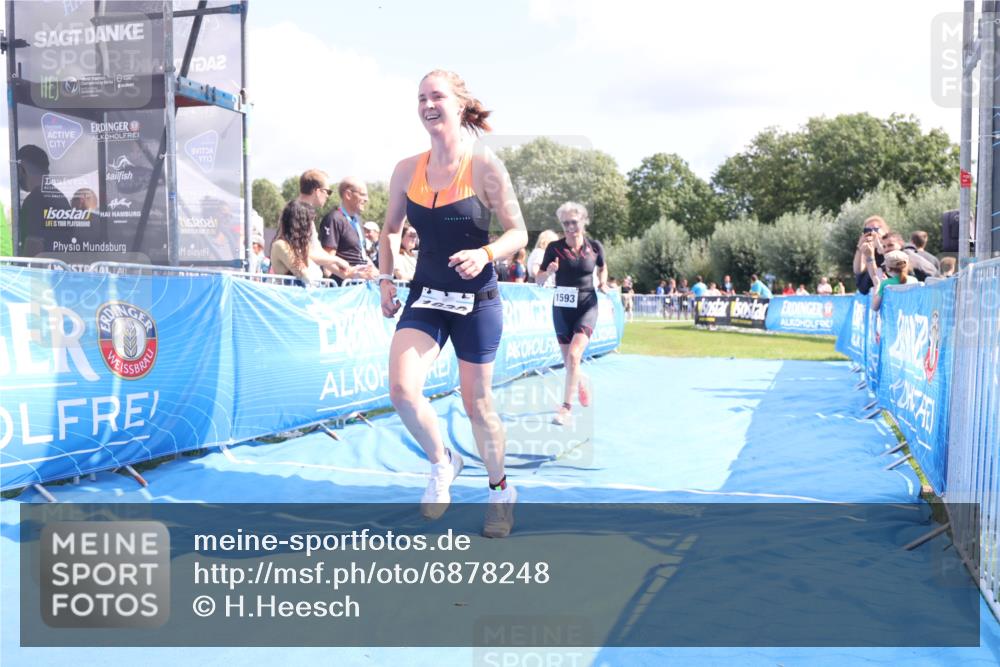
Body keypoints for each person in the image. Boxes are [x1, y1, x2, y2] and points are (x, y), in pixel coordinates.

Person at [377, 69, 527, 537]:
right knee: (402, 391)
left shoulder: (484, 166)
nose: (428, 104)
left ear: (459, 106)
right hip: (426, 296)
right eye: (421, 97)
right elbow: (389, 230)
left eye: (437, 96)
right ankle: (443, 462)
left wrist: (485, 253)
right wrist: (385, 277)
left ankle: (500, 491)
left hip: (477, 301)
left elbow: (518, 232)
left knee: (477, 404)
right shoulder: (406, 169)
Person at [533, 202, 608, 426]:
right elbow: (538, 279)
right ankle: (581, 381)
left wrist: (603, 282)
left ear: (583, 221)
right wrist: (549, 271)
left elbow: (603, 267)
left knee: (574, 356)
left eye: (574, 222)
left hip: (587, 306)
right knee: (569, 362)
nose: (569, 227)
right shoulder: (554, 248)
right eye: (565, 223)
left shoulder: (594, 247)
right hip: (562, 308)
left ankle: (566, 408)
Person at [281, 169, 353, 278]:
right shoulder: (297, 213)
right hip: (295, 283)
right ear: (318, 191)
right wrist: (336, 260)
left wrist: (349, 273)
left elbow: (317, 250)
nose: (328, 196)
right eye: (328, 191)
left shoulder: (303, 212)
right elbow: (305, 253)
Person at [319, 177, 379, 283]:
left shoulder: (357, 220)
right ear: (348, 195)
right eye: (363, 195)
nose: (366, 199)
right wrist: (348, 275)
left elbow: (361, 254)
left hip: (360, 284)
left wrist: (377, 273)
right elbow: (327, 259)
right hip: (344, 286)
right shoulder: (334, 218)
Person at [16, 144, 72, 256]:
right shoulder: (57, 196)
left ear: (21, 169)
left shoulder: (34, 201)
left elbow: (33, 247)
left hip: (43, 266)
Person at [270, 201, 323, 286]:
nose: (312, 227)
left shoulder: (299, 247)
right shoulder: (280, 245)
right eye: (309, 222)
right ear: (302, 224)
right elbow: (307, 276)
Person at [853, 215, 889, 295]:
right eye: (868, 230)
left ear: (884, 231)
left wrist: (879, 243)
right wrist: (859, 248)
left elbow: (890, 258)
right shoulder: (868, 247)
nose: (872, 233)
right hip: (868, 289)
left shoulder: (891, 244)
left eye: (875, 229)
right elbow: (858, 270)